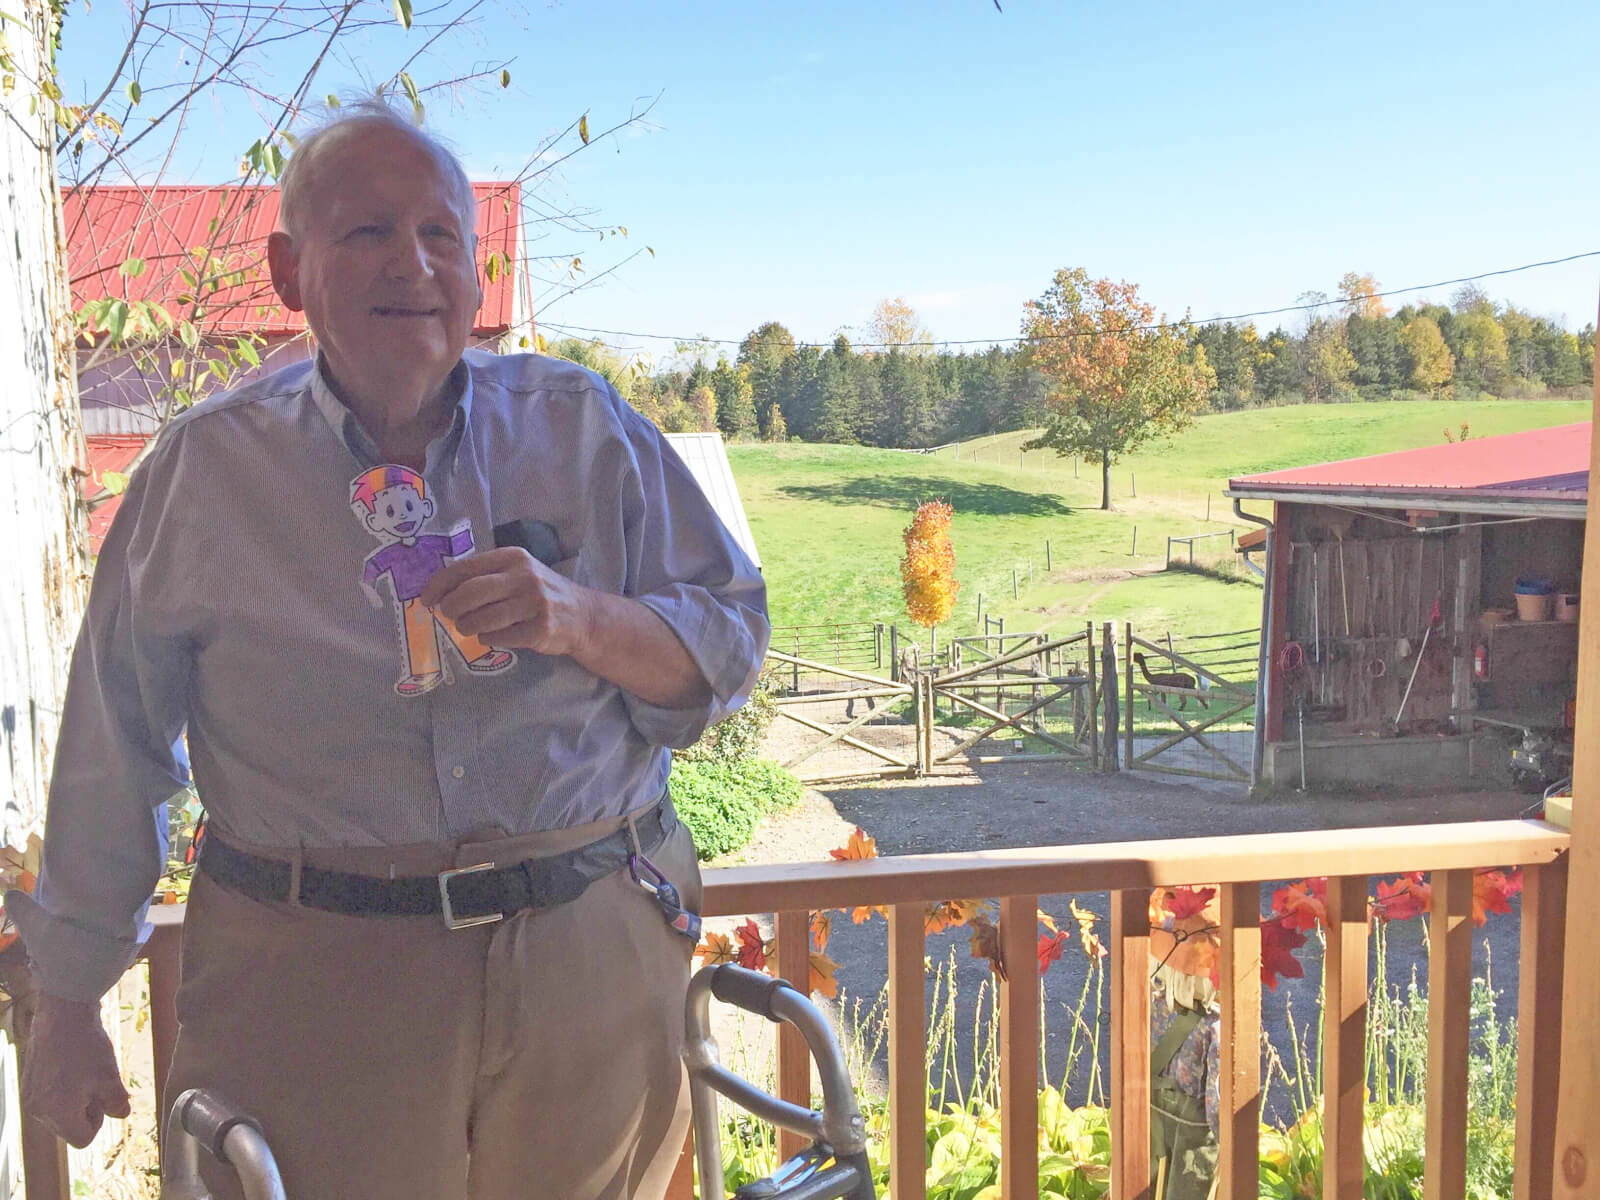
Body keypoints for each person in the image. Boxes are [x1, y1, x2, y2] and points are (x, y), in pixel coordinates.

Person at [10, 98, 769, 1200]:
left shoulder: (584, 427)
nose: (410, 263)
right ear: (287, 269)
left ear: (475, 273)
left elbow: (729, 638)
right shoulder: (207, 474)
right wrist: (72, 1001)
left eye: (440, 234)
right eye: (366, 231)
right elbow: (113, 742)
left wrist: (576, 616)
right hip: (311, 975)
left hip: (587, 956)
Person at [1147, 888, 1222, 1200]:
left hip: (1150, 1129)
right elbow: (1220, 1104)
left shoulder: (1154, 1004)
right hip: (1192, 1148)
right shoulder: (1214, 1025)